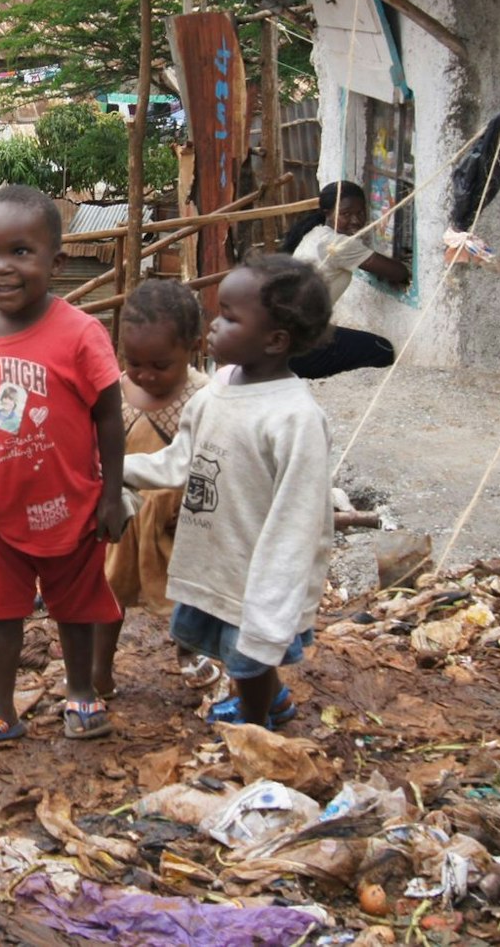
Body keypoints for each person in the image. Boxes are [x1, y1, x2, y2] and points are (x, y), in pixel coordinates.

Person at [0, 185, 126, 750]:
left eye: (21, 252)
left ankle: (80, 691)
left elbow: (110, 415)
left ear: (56, 261)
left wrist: (112, 494)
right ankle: (1, 708)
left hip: (71, 500)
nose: (1, 267)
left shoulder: (80, 334)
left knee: (75, 605)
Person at [125, 256, 336, 732]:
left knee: (250, 653)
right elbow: (180, 460)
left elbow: (298, 520)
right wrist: (119, 470)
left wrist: (277, 591)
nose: (214, 327)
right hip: (219, 558)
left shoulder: (294, 417)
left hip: (260, 570)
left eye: (230, 318)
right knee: (238, 650)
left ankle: (254, 726)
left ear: (275, 340)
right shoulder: (216, 391)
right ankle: (271, 701)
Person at [90, 279, 211, 700]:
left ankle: (191, 655)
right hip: (122, 516)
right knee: (109, 597)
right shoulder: (114, 393)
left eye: (161, 366)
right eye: (134, 361)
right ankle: (98, 672)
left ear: (193, 348)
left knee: (188, 598)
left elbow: (209, 460)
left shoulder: (204, 397)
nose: (145, 374)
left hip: (182, 520)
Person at [283, 181, 411, 379]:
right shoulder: (337, 244)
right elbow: (399, 272)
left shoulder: (315, 232)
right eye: (346, 214)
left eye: (361, 213)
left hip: (283, 335)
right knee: (381, 350)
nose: (356, 220)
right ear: (327, 212)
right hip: (296, 345)